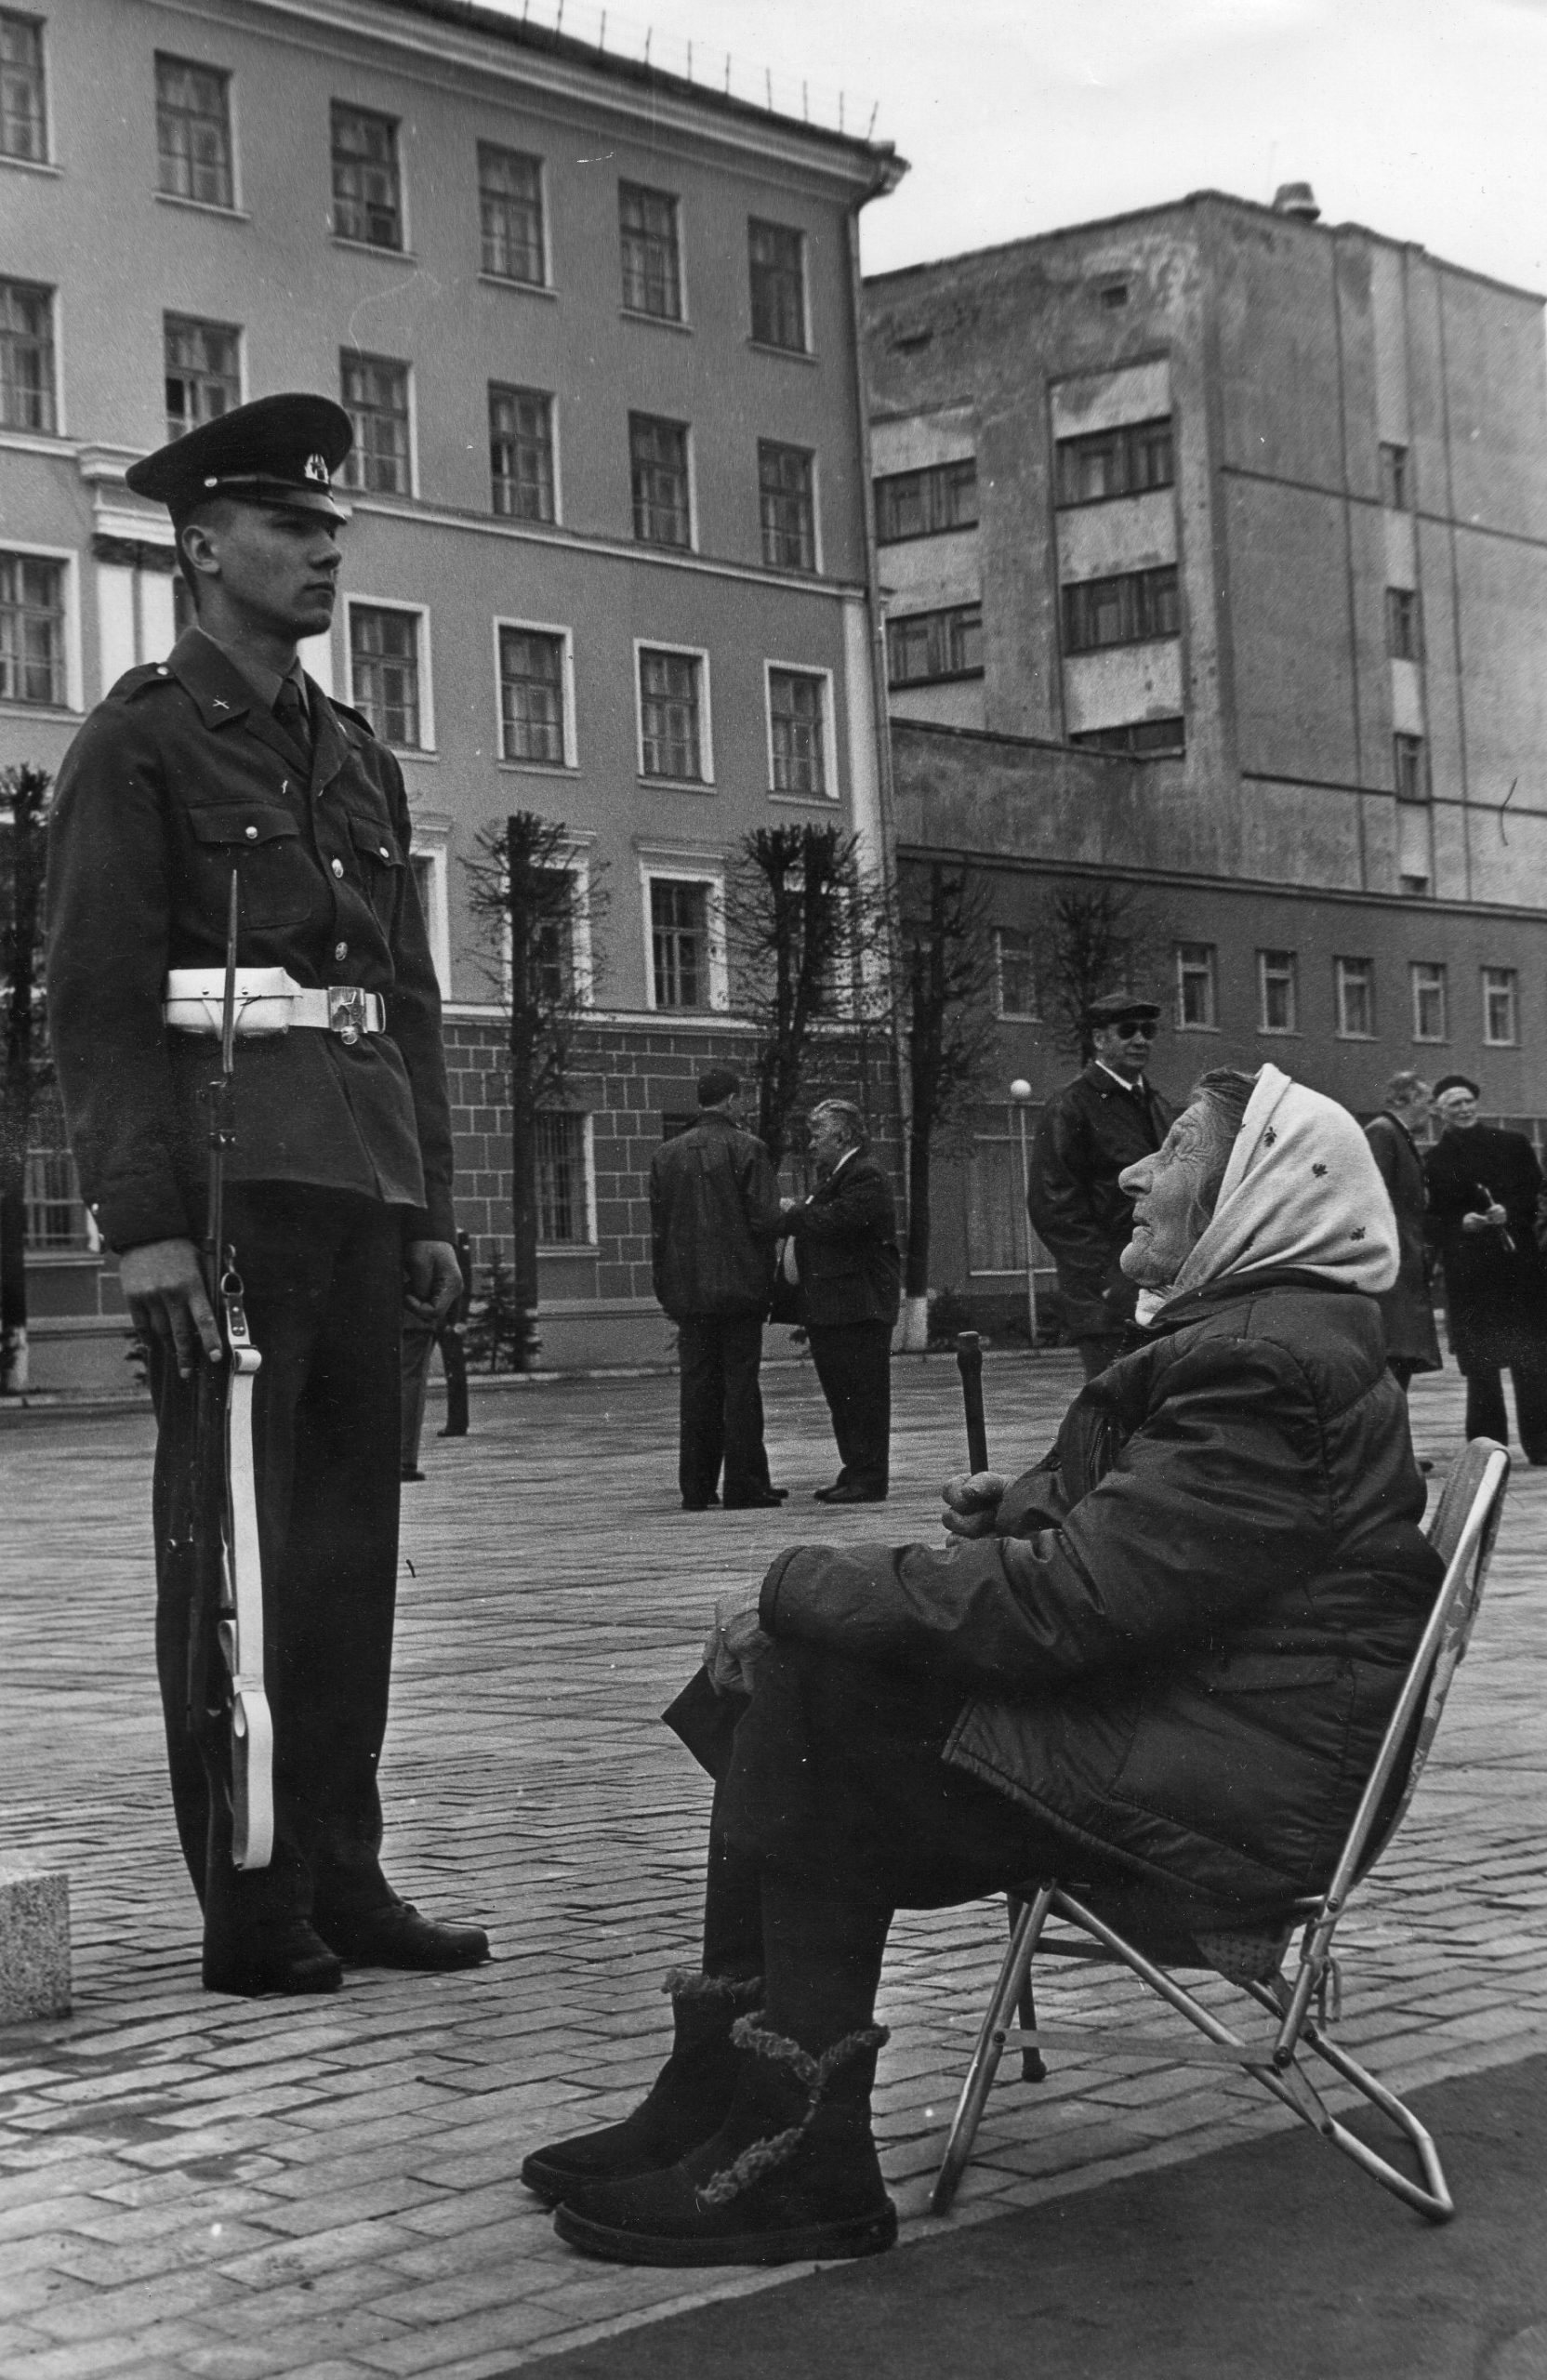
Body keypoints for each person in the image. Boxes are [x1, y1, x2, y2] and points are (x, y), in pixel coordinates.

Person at [522, 1064, 1441, 2268]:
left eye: (1172, 1151)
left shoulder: (1263, 1363)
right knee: (800, 1674)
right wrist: (1025, 1506)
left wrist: (799, 1584)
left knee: (812, 1685)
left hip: (1219, 1806)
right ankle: (727, 2093)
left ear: (1252, 1198)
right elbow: (1161, 1557)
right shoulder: (1272, 1338)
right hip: (1207, 1748)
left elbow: (1072, 1603)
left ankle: (797, 2149)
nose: (1132, 1171)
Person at [46, 393, 489, 1996]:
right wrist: (146, 1225)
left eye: (328, 530)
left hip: (357, 1186)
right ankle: (250, 1905)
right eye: (290, 528)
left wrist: (428, 1207)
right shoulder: (139, 741)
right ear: (200, 546)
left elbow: (406, 999)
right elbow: (94, 1006)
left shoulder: (351, 750)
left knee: (348, 1560)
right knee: (236, 1557)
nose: (322, 554)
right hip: (230, 1195)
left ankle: (343, 1875)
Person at [650, 1069, 787, 1512]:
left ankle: (696, 1487)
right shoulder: (749, 1149)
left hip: (688, 1293)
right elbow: (765, 1220)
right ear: (731, 1101)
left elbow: (659, 1230)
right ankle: (745, 1485)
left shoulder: (666, 1155)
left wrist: (666, 1288)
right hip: (741, 1289)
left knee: (697, 1388)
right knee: (741, 1387)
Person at [1026, 992, 1175, 1378]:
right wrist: (1108, 1277)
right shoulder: (1071, 1106)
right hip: (1106, 1297)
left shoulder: (1157, 1105)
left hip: (1158, 1288)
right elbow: (1053, 1204)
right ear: (1099, 1039)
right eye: (1127, 1030)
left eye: (1148, 1031)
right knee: (1116, 1403)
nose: (1140, 1040)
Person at [780, 1100, 901, 1503]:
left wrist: (794, 1213)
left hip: (859, 1306)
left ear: (843, 1136)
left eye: (818, 1136)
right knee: (843, 1395)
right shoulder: (838, 1176)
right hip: (836, 1306)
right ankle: (855, 1470)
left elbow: (839, 1222)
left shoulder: (864, 1174)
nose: (812, 1145)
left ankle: (868, 1477)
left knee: (862, 1395)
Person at [1423, 1074, 1547, 1461]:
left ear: (1476, 1102)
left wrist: (1509, 1211)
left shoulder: (1513, 1143)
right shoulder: (1434, 1161)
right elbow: (1429, 1218)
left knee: (1531, 1357)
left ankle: (1542, 1444)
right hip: (1470, 1272)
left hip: (1518, 1267)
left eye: (1467, 1101)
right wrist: (1460, 1223)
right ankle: (1488, 1450)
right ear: (1439, 1112)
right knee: (1481, 1365)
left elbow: (1534, 1194)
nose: (1463, 1110)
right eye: (1454, 1104)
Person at [1364, 1073, 1442, 1395]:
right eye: (1427, 1101)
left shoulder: (1395, 1134)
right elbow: (1371, 1200)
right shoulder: (1383, 1133)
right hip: (1392, 1272)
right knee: (1392, 1366)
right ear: (1404, 1099)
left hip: (1404, 1268)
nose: (1432, 1110)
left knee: (1401, 1365)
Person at [400, 1225, 472, 1478]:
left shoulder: (456, 1236)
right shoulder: (441, 1233)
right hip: (425, 1311)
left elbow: (463, 1280)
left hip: (445, 1315)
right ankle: (405, 1458)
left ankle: (457, 1422)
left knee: (453, 1372)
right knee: (412, 1375)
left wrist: (459, 1319)